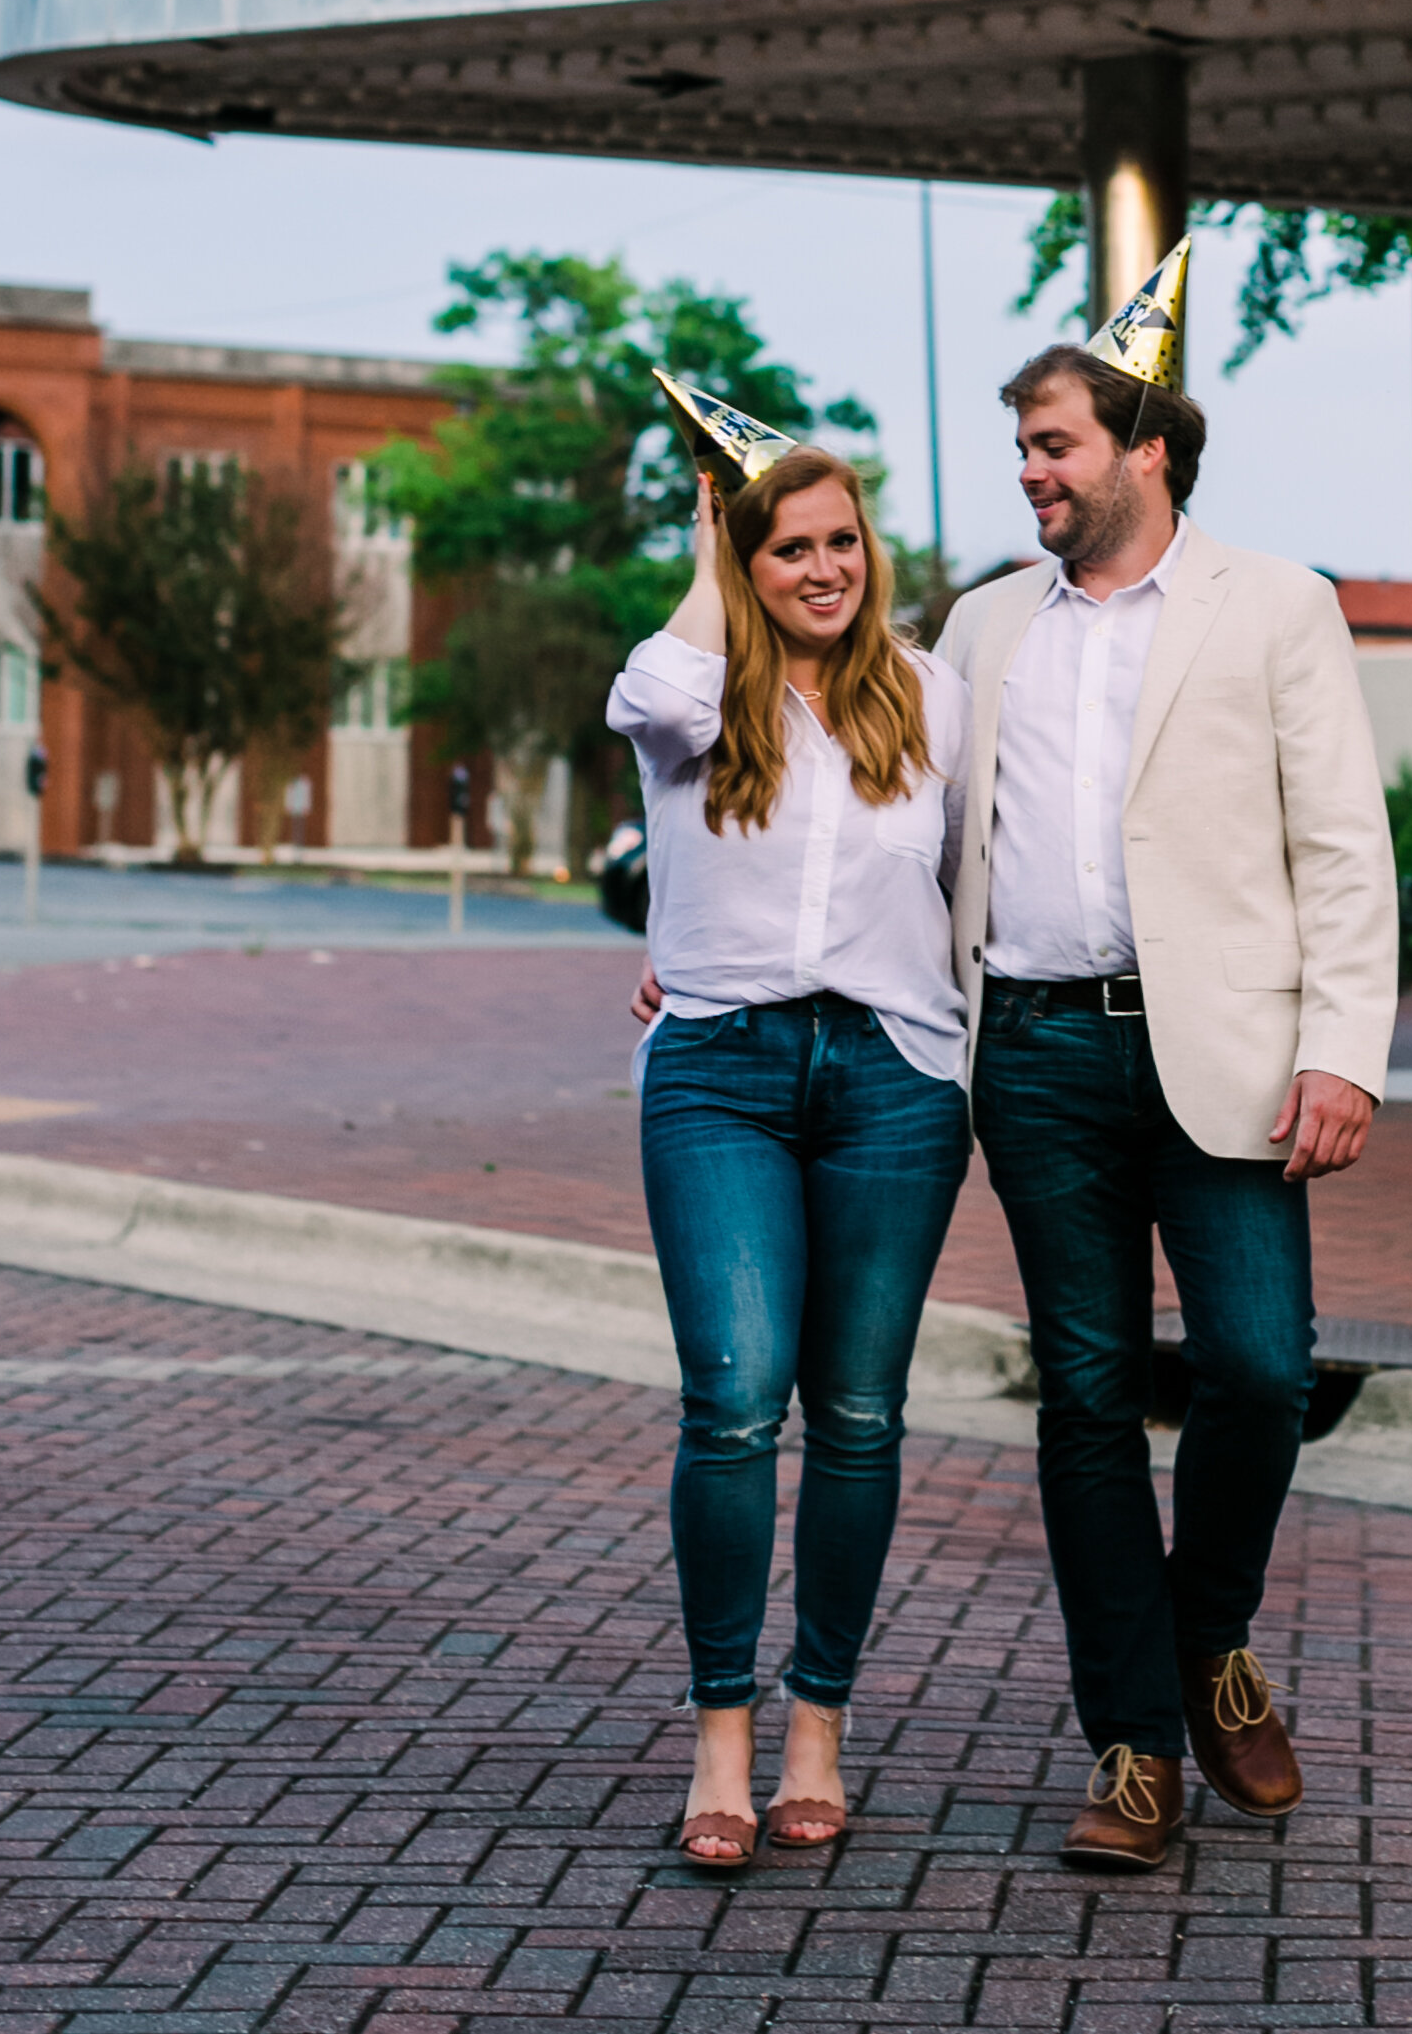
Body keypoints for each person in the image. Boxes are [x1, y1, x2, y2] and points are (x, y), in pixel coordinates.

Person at [937, 316, 1399, 1870]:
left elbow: (1340, 837)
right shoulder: (983, 625)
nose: (1028, 472)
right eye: (1021, 448)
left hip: (1231, 1054)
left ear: (1144, 449)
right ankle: (1133, 1744)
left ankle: (1210, 1639)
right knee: (1083, 1401)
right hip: (1039, 1054)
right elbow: (902, 828)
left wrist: (1341, 1045)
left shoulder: (1273, 604)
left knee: (1261, 1369)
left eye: (1052, 444)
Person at [610, 442, 972, 1871]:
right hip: (720, 1071)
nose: (821, 567)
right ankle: (721, 1730)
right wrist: (709, 558)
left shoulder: (933, 693)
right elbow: (648, 695)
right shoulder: (691, 693)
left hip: (893, 1077)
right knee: (736, 1398)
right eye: (786, 548)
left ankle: (818, 1716)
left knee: (863, 1413)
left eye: (840, 540)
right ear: (744, 565)